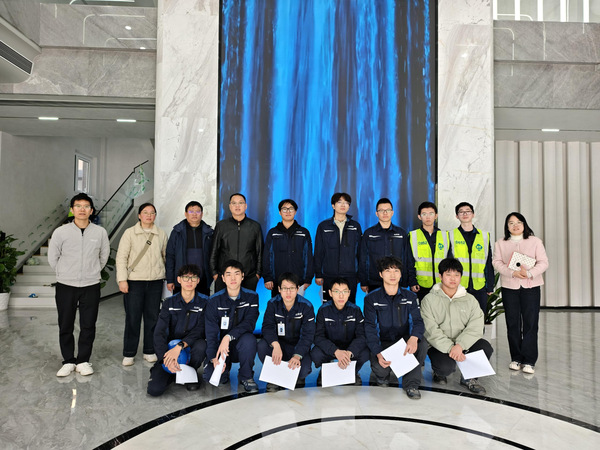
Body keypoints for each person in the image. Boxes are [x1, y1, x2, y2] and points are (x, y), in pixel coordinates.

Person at [48, 193, 110, 377]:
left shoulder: (100, 232)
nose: (82, 209)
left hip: (90, 285)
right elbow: (53, 257)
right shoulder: (61, 232)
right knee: (65, 324)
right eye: (78, 206)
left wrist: (92, 271)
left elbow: (103, 256)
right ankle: (68, 361)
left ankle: (83, 360)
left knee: (88, 324)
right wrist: (64, 272)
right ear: (72, 210)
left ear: (91, 210)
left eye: (86, 206)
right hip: (66, 285)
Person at [421, 257, 494, 395]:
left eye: (456, 275)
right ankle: (439, 372)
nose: (453, 278)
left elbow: (476, 326)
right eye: (448, 274)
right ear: (440, 276)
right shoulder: (429, 300)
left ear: (461, 277)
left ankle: (469, 378)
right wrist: (451, 348)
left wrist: (460, 345)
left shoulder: (470, 300)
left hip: (463, 344)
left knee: (485, 347)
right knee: (445, 368)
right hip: (440, 346)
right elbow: (430, 330)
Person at [492, 212, 549, 374]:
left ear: (524, 224)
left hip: (531, 287)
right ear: (507, 226)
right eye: (511, 223)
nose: (515, 225)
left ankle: (529, 360)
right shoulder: (500, 243)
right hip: (510, 287)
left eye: (518, 222)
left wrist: (529, 273)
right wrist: (512, 273)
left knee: (531, 323)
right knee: (513, 323)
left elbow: (544, 262)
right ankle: (516, 358)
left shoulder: (535, 241)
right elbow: (496, 262)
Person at [363, 256, 427, 399]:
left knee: (422, 343)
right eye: (388, 270)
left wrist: (413, 338)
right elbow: (370, 327)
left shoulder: (410, 297)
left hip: (404, 343)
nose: (392, 275)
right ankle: (382, 375)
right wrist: (377, 352)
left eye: (396, 271)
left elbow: (418, 321)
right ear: (381, 274)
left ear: (401, 274)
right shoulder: (371, 299)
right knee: (381, 371)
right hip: (383, 343)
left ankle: (411, 384)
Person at [116, 202, 168, 366]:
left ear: (155, 216)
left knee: (153, 318)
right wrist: (122, 279)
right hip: (134, 282)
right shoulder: (129, 233)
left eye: (152, 213)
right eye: (145, 212)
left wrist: (168, 277)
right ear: (139, 215)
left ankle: (149, 350)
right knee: (133, 318)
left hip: (155, 281)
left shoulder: (161, 234)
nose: (149, 215)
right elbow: (121, 258)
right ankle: (129, 353)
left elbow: (165, 256)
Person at [147, 265, 208, 396]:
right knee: (154, 390)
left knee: (201, 345)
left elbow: (200, 330)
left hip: (189, 346)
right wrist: (165, 359)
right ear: (179, 280)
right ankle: (169, 370)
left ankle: (190, 370)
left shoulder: (204, 302)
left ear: (198, 281)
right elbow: (159, 332)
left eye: (193, 278)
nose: (189, 281)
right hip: (169, 350)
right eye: (186, 278)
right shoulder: (169, 303)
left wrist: (180, 346)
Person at [204, 260, 260, 393]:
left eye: (236, 273)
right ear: (223, 278)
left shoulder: (252, 297)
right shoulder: (214, 300)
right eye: (228, 274)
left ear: (243, 276)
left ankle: (246, 375)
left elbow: (249, 323)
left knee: (250, 340)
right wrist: (213, 357)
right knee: (212, 377)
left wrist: (228, 337)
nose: (233, 278)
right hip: (221, 347)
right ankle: (224, 368)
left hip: (240, 343)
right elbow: (211, 332)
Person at [258, 272, 315, 391]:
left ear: (298, 289)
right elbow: (267, 327)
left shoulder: (306, 306)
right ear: (279, 289)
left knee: (304, 370)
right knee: (262, 346)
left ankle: (298, 377)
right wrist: (275, 344)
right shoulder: (272, 304)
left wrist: (297, 355)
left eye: (292, 288)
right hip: (279, 345)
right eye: (284, 288)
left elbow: (308, 335)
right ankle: (274, 376)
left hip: (297, 345)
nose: (288, 292)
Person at [311, 277, 369, 385]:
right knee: (316, 354)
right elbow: (318, 336)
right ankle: (325, 371)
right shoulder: (323, 310)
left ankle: (352, 372)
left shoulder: (355, 310)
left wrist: (349, 352)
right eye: (337, 292)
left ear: (349, 293)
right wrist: (335, 351)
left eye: (344, 291)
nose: (341, 296)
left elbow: (362, 336)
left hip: (349, 347)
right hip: (331, 347)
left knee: (365, 353)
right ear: (330, 293)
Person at [359, 198, 415, 293]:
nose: (385, 213)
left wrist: (407, 280)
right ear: (377, 213)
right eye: (381, 210)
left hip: (397, 281)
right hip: (374, 281)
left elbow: (408, 258)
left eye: (388, 210)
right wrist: (363, 281)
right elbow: (363, 259)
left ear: (392, 212)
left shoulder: (401, 233)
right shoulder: (369, 233)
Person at [314, 192, 362, 302]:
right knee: (328, 305)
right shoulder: (323, 226)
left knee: (350, 305)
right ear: (333, 205)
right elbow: (318, 251)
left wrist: (360, 275)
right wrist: (318, 274)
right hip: (329, 274)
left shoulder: (355, 226)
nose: (343, 205)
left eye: (346, 202)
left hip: (350, 274)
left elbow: (360, 251)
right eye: (339, 202)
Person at [210, 193, 263, 292]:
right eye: (234, 203)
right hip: (224, 277)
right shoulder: (221, 226)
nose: (237, 206)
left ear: (245, 206)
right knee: (223, 302)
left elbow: (259, 251)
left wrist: (257, 274)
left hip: (249, 277)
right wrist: (215, 273)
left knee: (247, 302)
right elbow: (214, 251)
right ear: (230, 206)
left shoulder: (255, 226)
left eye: (240, 203)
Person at [262, 199, 314, 297]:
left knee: (298, 305)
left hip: (298, 280)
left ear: (295, 211)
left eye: (291, 209)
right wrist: (267, 278)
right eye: (284, 209)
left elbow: (308, 256)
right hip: (277, 280)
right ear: (280, 212)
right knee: (277, 305)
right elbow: (267, 256)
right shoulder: (273, 233)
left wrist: (308, 279)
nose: (288, 212)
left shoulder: (304, 233)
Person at [452, 202, 494, 314]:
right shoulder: (450, 235)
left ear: (473, 214)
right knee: (459, 317)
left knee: (479, 317)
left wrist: (490, 285)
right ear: (457, 216)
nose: (465, 214)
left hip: (479, 286)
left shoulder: (484, 236)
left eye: (468, 211)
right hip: (458, 286)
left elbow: (488, 262)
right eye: (461, 212)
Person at [165, 201, 213, 296]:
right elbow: (170, 256)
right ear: (185, 214)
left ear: (202, 214)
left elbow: (214, 256)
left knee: (202, 304)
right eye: (191, 211)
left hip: (202, 279)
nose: (194, 214)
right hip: (182, 279)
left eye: (198, 211)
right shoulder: (177, 232)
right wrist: (170, 279)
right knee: (180, 304)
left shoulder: (209, 233)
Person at [408, 201, 452, 301]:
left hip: (442, 284)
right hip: (421, 285)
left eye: (431, 214)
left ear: (436, 216)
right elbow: (409, 262)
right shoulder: (412, 236)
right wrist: (412, 281)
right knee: (423, 310)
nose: (428, 217)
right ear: (419, 216)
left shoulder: (445, 236)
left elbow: (449, 261)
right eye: (424, 214)